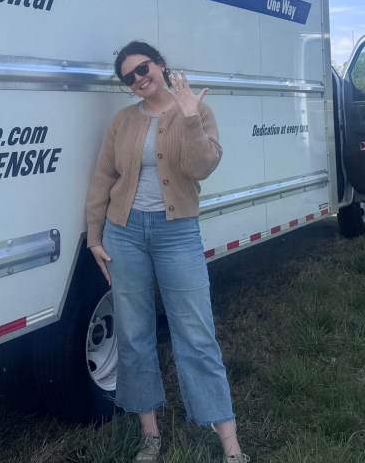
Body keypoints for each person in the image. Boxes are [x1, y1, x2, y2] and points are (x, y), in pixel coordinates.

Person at [84, 41, 249, 463]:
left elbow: (202, 167)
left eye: (143, 68)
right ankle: (150, 434)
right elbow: (104, 176)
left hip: (177, 234)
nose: (139, 79)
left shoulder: (196, 110)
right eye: (129, 77)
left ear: (159, 64)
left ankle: (229, 442)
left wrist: (190, 116)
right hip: (125, 234)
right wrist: (94, 235)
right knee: (134, 335)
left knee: (196, 334)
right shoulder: (122, 122)